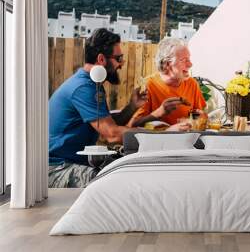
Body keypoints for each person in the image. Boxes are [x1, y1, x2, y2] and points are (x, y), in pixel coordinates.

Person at [49, 29, 190, 188]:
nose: (122, 64)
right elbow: (112, 135)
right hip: (58, 167)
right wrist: (164, 134)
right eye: (119, 58)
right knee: (122, 182)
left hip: (75, 162)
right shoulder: (83, 88)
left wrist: (131, 107)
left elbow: (107, 123)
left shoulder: (90, 83)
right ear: (101, 59)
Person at [131, 37, 207, 126]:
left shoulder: (192, 84)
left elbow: (201, 116)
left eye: (189, 59)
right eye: (184, 60)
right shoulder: (149, 85)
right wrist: (159, 113)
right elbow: (134, 124)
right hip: (157, 139)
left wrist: (201, 117)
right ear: (167, 64)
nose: (190, 64)